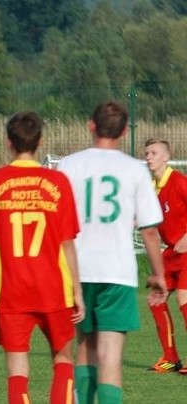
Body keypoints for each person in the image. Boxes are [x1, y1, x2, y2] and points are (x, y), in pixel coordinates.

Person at [56, 100, 168, 404]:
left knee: (85, 348)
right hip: (117, 271)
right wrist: (158, 275)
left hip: (77, 269)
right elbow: (148, 229)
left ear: (91, 125)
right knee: (110, 357)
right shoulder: (134, 169)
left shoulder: (68, 165)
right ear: (124, 131)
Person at [0, 111, 85, 404]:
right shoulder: (57, 182)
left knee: (17, 367)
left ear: (8, 142)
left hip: (11, 289)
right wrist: (78, 289)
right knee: (63, 357)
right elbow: (67, 243)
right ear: (41, 141)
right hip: (54, 287)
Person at [143, 138, 187, 375]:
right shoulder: (151, 187)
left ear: (166, 157)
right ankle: (170, 358)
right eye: (147, 153)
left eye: (154, 153)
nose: (149, 156)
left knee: (184, 299)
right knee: (155, 299)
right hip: (171, 253)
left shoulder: (179, 181)